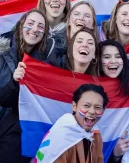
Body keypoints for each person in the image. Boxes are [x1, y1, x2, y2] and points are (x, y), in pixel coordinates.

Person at [0, 9, 55, 163]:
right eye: (30, 24)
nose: (35, 29)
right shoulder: (2, 53)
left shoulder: (46, 64)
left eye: (41, 26)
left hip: (19, 135)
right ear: (21, 25)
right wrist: (14, 82)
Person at [34, 84, 108, 163]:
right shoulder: (61, 136)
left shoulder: (95, 134)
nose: (92, 111)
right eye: (86, 105)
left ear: (103, 110)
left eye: (97, 107)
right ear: (74, 106)